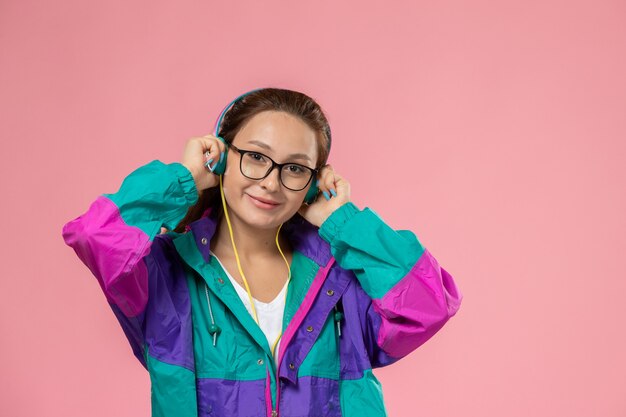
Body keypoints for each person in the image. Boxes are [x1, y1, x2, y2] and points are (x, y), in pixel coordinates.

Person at [62, 87, 463, 417]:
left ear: (313, 181)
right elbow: (96, 235)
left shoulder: (341, 278)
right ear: (220, 157)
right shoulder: (164, 275)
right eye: (255, 157)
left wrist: (342, 222)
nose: (271, 183)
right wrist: (183, 181)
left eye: (294, 168)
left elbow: (429, 304)